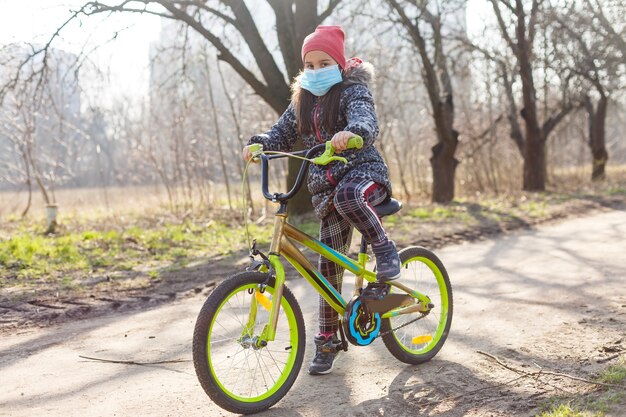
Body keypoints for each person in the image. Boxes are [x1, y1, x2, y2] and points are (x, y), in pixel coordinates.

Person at [243, 25, 400, 375]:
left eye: (324, 62)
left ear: (339, 64)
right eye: (309, 65)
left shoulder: (352, 91)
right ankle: (327, 339)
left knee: (349, 196)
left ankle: (385, 250)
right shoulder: (302, 98)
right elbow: (281, 132)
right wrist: (261, 144)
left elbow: (366, 121)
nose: (315, 71)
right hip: (326, 189)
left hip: (364, 175)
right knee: (327, 269)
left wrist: (353, 133)